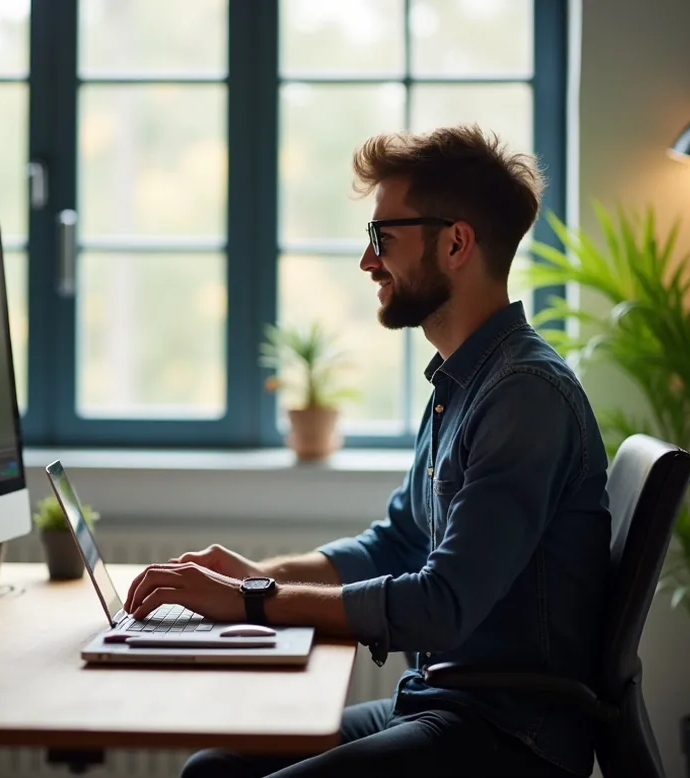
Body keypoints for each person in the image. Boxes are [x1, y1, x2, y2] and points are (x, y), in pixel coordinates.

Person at [125, 125, 612, 778]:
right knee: (214, 769)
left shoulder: (523, 396)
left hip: (508, 738)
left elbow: (439, 605)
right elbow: (395, 542)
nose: (367, 261)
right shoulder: (463, 382)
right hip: (440, 704)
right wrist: (253, 575)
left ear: (455, 242)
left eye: (383, 237)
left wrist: (250, 600)